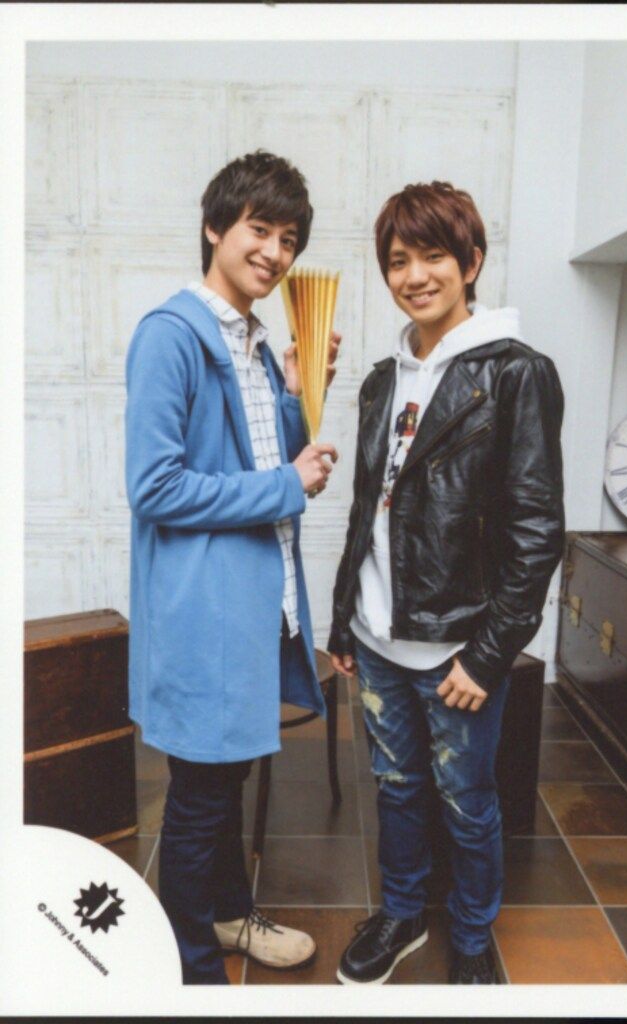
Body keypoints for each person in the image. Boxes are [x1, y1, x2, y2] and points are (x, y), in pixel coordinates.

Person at [328, 181, 564, 985]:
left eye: (433, 255)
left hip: (457, 650)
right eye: (398, 260)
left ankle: (469, 936)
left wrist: (488, 655)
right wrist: (344, 621)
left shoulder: (516, 374)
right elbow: (368, 512)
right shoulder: (380, 380)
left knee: (466, 800)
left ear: (471, 262)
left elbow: (536, 532)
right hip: (377, 637)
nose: (414, 275)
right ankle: (401, 916)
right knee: (396, 787)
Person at [125, 150, 340, 985]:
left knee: (225, 776)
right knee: (201, 792)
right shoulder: (171, 336)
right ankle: (192, 971)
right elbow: (155, 487)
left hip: (252, 600)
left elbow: (251, 462)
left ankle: (225, 916)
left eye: (288, 239)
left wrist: (294, 396)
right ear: (215, 227)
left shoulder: (250, 341)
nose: (275, 253)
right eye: (260, 230)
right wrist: (288, 483)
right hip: (202, 611)